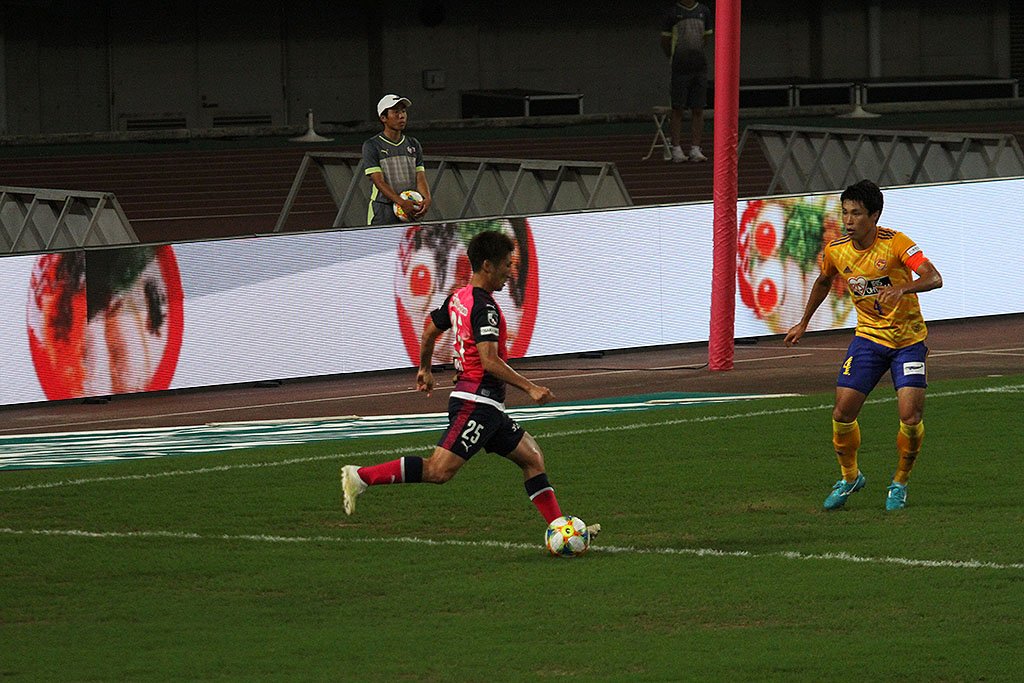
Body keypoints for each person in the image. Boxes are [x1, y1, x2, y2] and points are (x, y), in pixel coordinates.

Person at [341, 231, 599, 538]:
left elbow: (428, 332)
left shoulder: (458, 298)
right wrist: (530, 387)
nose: (510, 271)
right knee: (438, 471)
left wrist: (425, 368)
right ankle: (361, 476)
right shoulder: (484, 308)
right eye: (506, 264)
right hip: (477, 404)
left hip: (485, 404)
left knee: (532, 458)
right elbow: (489, 361)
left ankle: (561, 530)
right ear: (487, 265)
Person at [784, 180, 943, 511]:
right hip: (868, 340)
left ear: (875, 215)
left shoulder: (896, 243)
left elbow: (934, 277)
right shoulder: (836, 250)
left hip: (908, 342)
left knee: (910, 418)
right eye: (845, 212)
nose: (848, 220)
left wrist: (903, 288)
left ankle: (900, 483)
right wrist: (803, 322)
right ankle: (850, 477)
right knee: (842, 413)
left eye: (856, 213)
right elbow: (824, 280)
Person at [362, 94, 432, 225]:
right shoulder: (372, 145)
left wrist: (427, 199)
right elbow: (378, 181)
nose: (401, 116)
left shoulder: (413, 144)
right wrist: (401, 202)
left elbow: (420, 177)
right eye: (395, 112)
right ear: (383, 118)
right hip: (383, 210)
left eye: (403, 111)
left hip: (409, 207)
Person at [660, 0, 713, 163]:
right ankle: (676, 148)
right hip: (679, 69)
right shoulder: (672, 13)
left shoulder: (704, 11)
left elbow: (706, 37)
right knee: (678, 108)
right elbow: (665, 41)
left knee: (698, 108)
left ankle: (695, 148)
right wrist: (674, 57)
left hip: (699, 67)